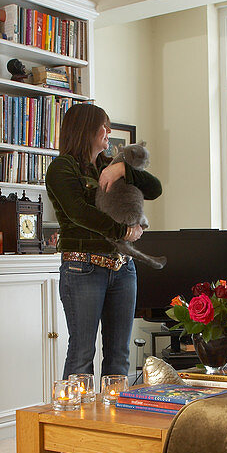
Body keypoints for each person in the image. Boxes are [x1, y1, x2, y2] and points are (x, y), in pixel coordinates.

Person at [45, 104, 161, 379]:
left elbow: (154, 188)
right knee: (82, 353)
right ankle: (75, 421)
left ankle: (113, 419)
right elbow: (79, 213)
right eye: (103, 126)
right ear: (86, 129)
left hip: (123, 268)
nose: (108, 131)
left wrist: (121, 169)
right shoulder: (61, 168)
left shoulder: (108, 166)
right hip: (82, 267)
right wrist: (122, 231)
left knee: (119, 355)